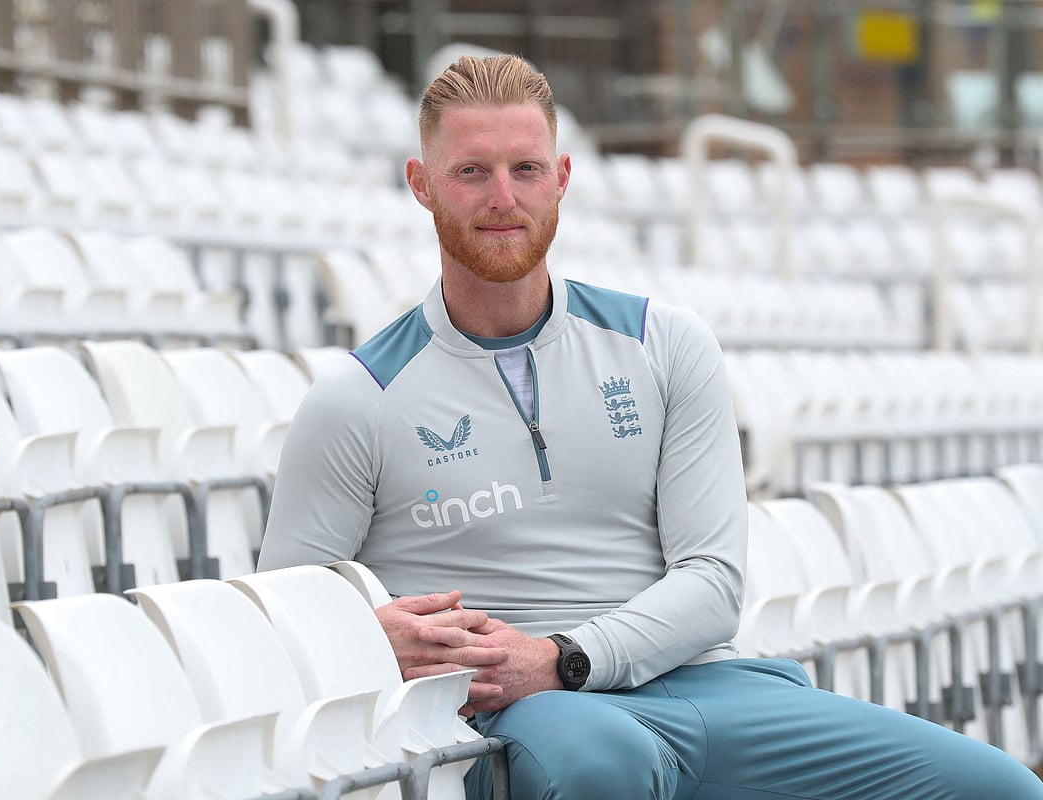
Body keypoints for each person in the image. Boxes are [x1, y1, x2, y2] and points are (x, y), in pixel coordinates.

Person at [257, 53, 1043, 800]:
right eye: (472, 171)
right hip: (526, 716)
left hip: (705, 686)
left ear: (561, 178)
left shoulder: (664, 343)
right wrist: (367, 639)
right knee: (602, 763)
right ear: (422, 185)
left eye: (525, 169)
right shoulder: (357, 398)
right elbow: (281, 623)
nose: (503, 196)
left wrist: (564, 657)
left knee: (998, 787)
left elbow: (713, 584)